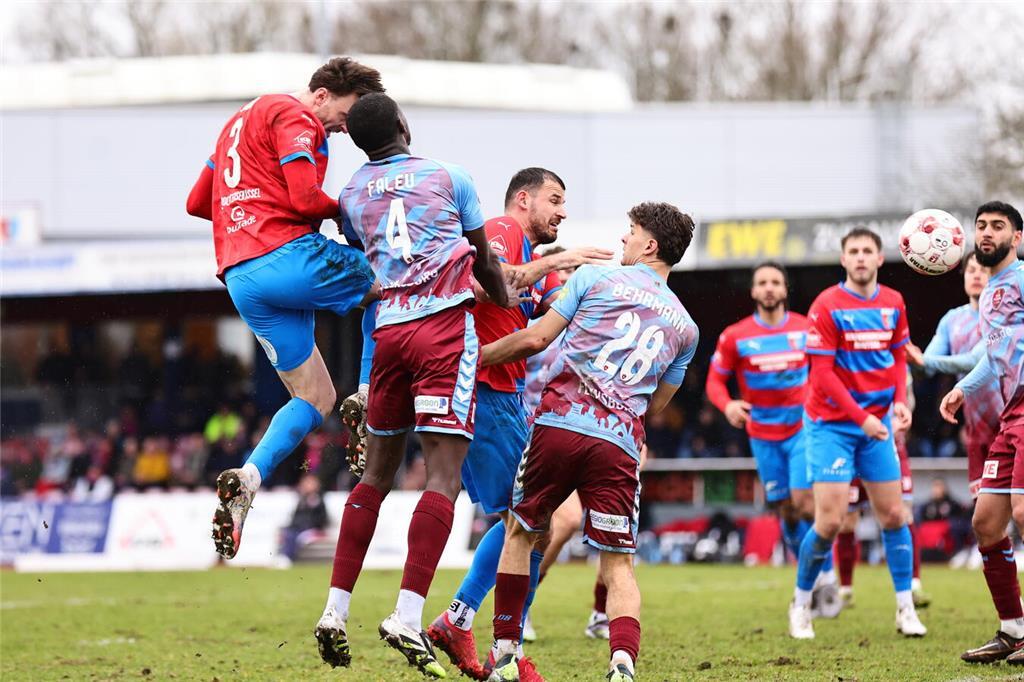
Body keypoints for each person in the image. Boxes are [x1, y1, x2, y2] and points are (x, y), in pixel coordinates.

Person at [313, 93, 510, 678]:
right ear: (403, 125)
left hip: (390, 336)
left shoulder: (350, 195)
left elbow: (362, 252)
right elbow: (483, 259)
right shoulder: (450, 176)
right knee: (443, 476)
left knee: (374, 474)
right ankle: (406, 612)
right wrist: (507, 300)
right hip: (444, 330)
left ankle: (334, 609)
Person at [481, 202, 699, 682]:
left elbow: (536, 339)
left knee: (521, 532)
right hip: (619, 444)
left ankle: (504, 654)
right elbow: (657, 405)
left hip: (559, 426)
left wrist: (472, 358)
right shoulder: (686, 328)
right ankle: (622, 663)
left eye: (631, 232)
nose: (623, 239)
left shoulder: (592, 280)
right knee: (618, 561)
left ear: (650, 245)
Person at [185, 57, 385, 559]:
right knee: (387, 284)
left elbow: (196, 202)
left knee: (315, 397)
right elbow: (301, 199)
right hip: (284, 255)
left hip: (241, 277)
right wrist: (349, 211)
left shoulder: (236, 123)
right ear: (321, 95)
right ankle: (364, 395)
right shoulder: (294, 115)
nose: (345, 126)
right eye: (346, 111)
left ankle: (248, 478)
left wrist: (246, 206)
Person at [425, 169, 614, 680]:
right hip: (484, 391)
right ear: (523, 199)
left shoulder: (535, 260)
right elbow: (484, 289)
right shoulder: (503, 232)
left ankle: (477, 629)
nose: (563, 212)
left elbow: (558, 312)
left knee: (532, 520)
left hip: (501, 395)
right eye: (555, 200)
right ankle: (481, 634)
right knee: (526, 519)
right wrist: (559, 261)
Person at [787, 226, 926, 640]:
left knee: (894, 515)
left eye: (869, 251)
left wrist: (899, 401)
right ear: (844, 260)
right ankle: (801, 602)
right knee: (829, 522)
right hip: (831, 425)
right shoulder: (827, 304)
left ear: (880, 259)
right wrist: (861, 418)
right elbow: (823, 376)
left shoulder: (893, 302)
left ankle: (905, 609)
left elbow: (898, 356)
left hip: (877, 425)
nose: (862, 257)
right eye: (855, 251)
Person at [705, 263, 841, 615]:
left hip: (802, 430)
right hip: (762, 435)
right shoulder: (736, 335)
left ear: (785, 290)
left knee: (805, 502)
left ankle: (826, 577)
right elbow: (714, 382)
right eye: (762, 282)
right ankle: (808, 577)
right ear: (753, 291)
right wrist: (728, 404)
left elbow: (829, 367)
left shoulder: (804, 328)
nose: (768, 288)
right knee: (787, 511)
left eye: (775, 282)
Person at [936, 201, 1024, 664]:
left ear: (1018, 237)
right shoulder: (990, 294)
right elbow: (993, 359)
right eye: (981, 227)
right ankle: (1014, 630)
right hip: (1010, 415)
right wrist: (962, 390)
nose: (987, 233)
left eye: (998, 226)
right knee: (986, 523)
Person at [907, 252, 1001, 499]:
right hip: (976, 430)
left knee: (1018, 509)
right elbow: (926, 367)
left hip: (1011, 424)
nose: (977, 275)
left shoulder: (1004, 317)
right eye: (971, 270)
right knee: (984, 515)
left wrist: (924, 360)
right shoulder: (952, 320)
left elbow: (974, 360)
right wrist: (909, 356)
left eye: (983, 269)